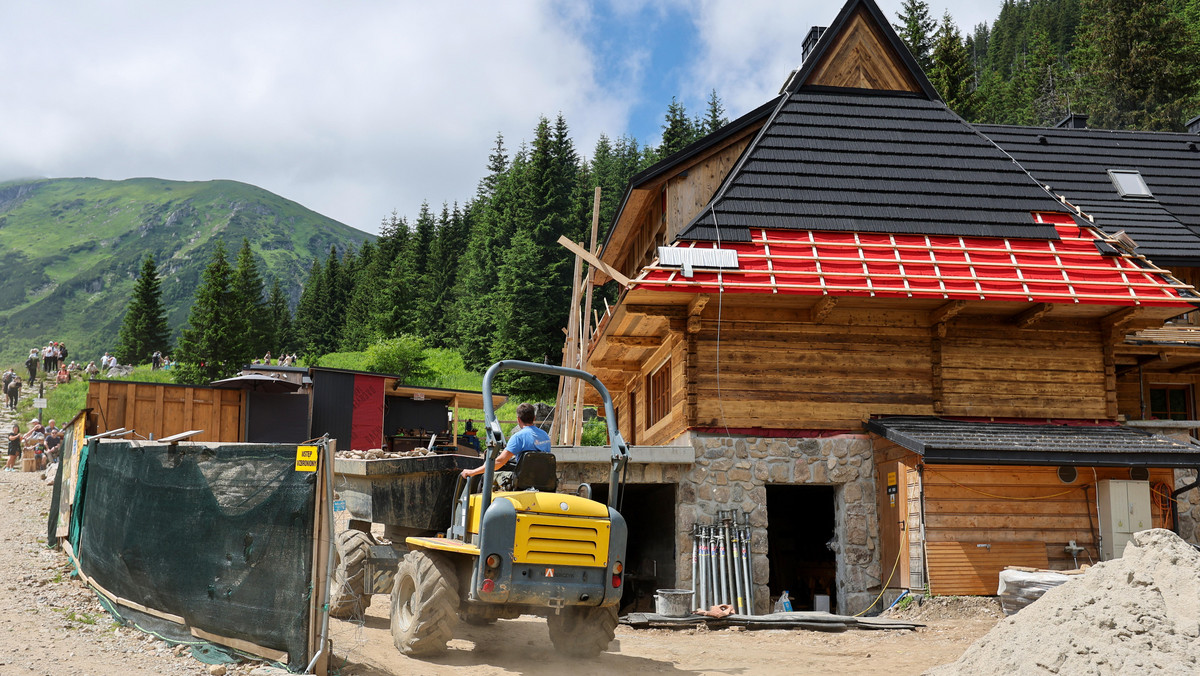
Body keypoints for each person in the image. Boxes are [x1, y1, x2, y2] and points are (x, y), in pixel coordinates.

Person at [460, 403, 550, 482]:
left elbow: (499, 463)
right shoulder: (545, 435)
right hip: (544, 480)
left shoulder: (518, 437)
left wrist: (472, 472)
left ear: (518, 419)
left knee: (485, 477)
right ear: (534, 418)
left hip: (523, 480)